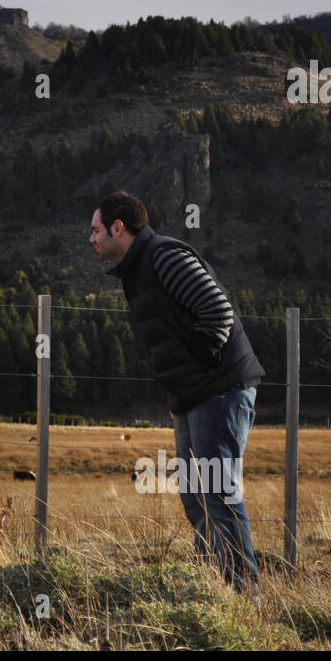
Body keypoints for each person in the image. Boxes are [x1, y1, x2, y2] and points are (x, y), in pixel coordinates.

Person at [90, 190, 264, 592]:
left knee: (219, 493)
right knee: (195, 499)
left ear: (118, 227)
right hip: (193, 396)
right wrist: (179, 395)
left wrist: (200, 374)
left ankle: (245, 592)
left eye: (96, 230)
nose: (91, 238)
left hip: (219, 391)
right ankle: (206, 587)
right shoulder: (137, 269)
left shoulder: (165, 256)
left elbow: (217, 311)